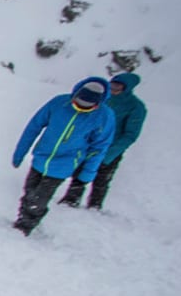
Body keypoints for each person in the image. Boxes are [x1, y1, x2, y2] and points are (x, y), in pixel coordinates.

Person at [11, 78, 116, 236]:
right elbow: (34, 126)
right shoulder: (59, 103)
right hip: (41, 157)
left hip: (65, 163)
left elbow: (99, 147)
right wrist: (20, 152)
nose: (81, 107)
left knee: (39, 198)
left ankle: (25, 227)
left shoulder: (104, 116)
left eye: (87, 107)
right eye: (78, 103)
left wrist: (88, 172)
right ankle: (23, 218)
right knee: (29, 191)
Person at [57, 72, 146, 210]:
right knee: (81, 171)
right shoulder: (103, 99)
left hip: (111, 149)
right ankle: (71, 200)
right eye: (112, 85)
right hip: (91, 144)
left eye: (118, 87)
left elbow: (130, 135)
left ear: (128, 88)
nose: (114, 89)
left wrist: (110, 154)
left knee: (102, 178)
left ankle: (95, 205)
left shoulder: (136, 107)